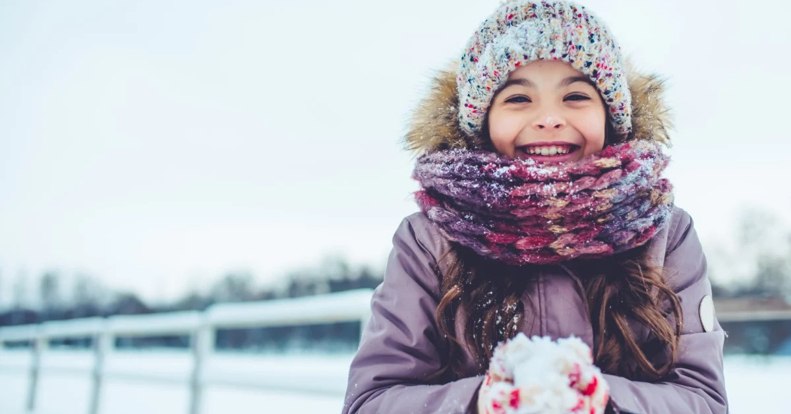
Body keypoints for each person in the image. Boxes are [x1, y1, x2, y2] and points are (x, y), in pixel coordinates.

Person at [342, 1, 727, 413]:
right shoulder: (428, 240)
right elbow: (371, 400)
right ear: (482, 119)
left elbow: (703, 398)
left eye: (576, 95)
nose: (548, 118)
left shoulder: (666, 233)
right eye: (519, 98)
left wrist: (601, 398)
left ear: (611, 116)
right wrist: (480, 401)